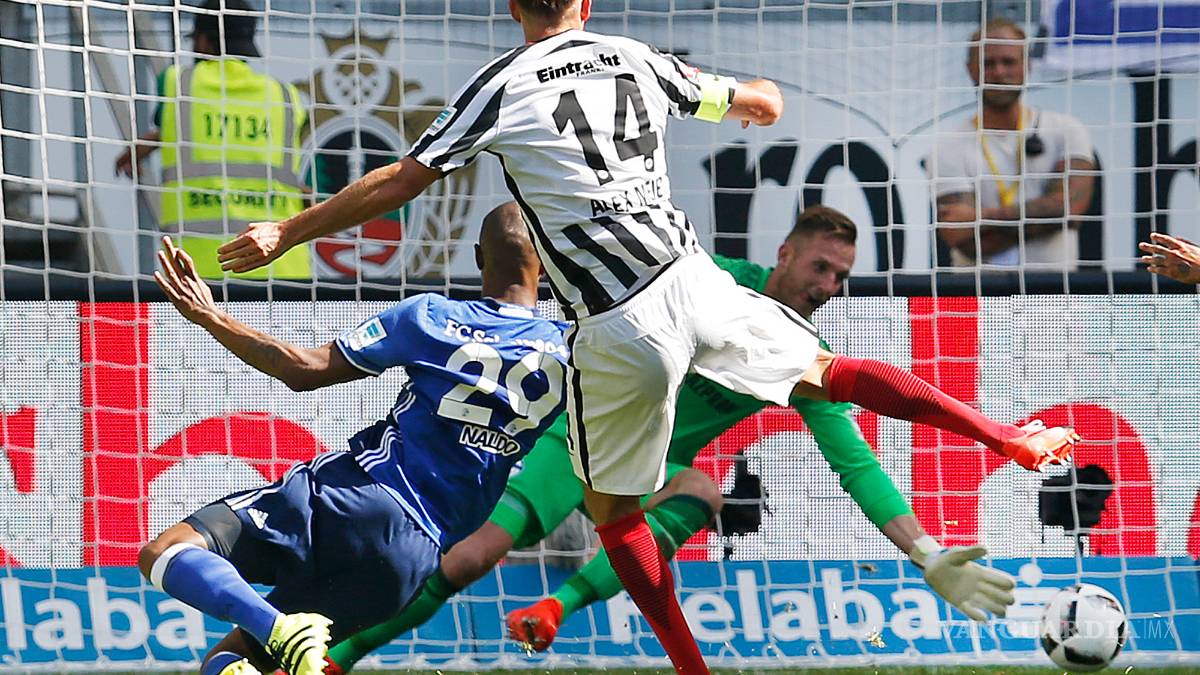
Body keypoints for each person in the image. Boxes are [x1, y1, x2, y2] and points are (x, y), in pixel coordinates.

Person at [215, 2, 1078, 671]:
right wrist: (759, 100)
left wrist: (286, 233)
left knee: (618, 515)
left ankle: (685, 665)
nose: (827, 282)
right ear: (586, 4)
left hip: (617, 321)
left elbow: (401, 179)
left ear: (516, 10)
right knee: (834, 373)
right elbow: (752, 98)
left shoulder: (501, 82)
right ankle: (1009, 435)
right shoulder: (630, 58)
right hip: (692, 280)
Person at [320, 205, 1020, 673]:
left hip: (649, 462)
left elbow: (857, 464)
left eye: (841, 276)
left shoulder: (806, 354)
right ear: (783, 255)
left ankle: (553, 606)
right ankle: (332, 655)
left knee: (701, 489)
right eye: (820, 268)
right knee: (470, 557)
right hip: (578, 434)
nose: (830, 285)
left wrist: (927, 553)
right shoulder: (711, 285)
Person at [138, 202, 568, 675]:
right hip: (408, 565)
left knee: (167, 550)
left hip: (356, 500)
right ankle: (278, 633)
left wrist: (209, 316)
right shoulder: (571, 355)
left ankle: (278, 626)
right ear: (545, 262)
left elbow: (305, 370)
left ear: (477, 258)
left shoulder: (432, 316)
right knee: (233, 660)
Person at [115, 0, 311, 279]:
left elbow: (176, 125)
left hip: (201, 272)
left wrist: (142, 148)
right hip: (282, 270)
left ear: (204, 41)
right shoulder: (284, 96)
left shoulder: (177, 84)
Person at [928, 17, 1096, 271]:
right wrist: (1046, 216)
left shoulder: (1067, 130)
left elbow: (1069, 208)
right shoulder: (948, 145)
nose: (999, 72)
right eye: (988, 63)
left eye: (1008, 61)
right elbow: (963, 240)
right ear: (971, 69)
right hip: (976, 297)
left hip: (1053, 296)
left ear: (1026, 66)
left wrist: (980, 217)